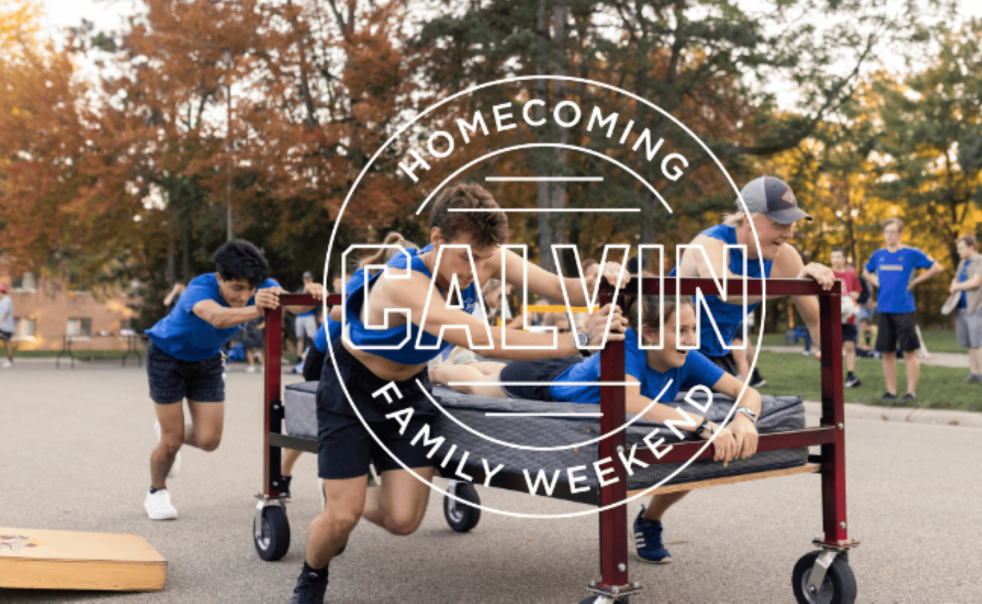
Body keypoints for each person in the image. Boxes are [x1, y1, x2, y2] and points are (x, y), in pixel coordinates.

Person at [290, 183, 628, 603]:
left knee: (402, 519)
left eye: (485, 258)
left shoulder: (484, 257)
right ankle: (313, 572)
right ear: (437, 238)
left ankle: (347, 498)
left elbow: (566, 289)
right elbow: (481, 338)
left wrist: (601, 278)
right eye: (468, 256)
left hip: (409, 390)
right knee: (342, 517)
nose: (476, 268)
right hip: (353, 388)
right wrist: (578, 340)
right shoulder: (402, 282)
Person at [432, 295, 763, 564]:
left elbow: (747, 391)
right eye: (682, 330)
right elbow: (628, 399)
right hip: (548, 381)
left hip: (578, 367)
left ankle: (650, 520)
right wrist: (703, 424)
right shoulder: (632, 346)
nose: (692, 340)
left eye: (694, 329)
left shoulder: (687, 356)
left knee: (495, 371)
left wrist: (744, 417)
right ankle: (438, 369)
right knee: (477, 385)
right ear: (649, 332)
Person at [143, 239, 323, 520]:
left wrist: (311, 294)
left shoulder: (263, 285)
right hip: (167, 357)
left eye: (250, 289)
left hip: (208, 360)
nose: (243, 295)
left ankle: (168, 430)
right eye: (236, 288)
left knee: (209, 441)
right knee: (171, 441)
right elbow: (215, 316)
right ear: (220, 278)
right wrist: (257, 308)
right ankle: (156, 491)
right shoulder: (200, 288)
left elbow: (295, 307)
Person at [670, 176, 836, 387]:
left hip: (717, 356)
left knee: (742, 413)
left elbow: (814, 319)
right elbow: (727, 290)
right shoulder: (710, 244)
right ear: (748, 219)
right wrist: (792, 285)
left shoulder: (784, 257)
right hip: (667, 355)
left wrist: (828, 350)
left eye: (791, 224)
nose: (789, 234)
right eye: (779, 224)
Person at [862, 217, 943, 402]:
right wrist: (875, 282)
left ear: (900, 233)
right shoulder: (878, 255)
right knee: (887, 352)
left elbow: (937, 267)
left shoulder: (911, 253)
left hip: (905, 309)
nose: (889, 235)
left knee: (908, 352)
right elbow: (866, 271)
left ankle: (910, 393)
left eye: (892, 232)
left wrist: (915, 282)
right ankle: (891, 392)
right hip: (883, 309)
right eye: (886, 232)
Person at [948, 234, 982, 384]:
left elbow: (975, 282)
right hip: (961, 307)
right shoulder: (962, 263)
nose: (958, 251)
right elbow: (956, 277)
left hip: (977, 307)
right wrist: (953, 283)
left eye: (961, 248)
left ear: (971, 247)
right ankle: (974, 372)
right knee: (969, 343)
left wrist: (956, 286)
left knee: (977, 342)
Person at [830, 247, 863, 388]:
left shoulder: (851, 275)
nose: (835, 260)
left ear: (844, 259)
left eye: (838, 257)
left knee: (849, 345)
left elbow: (858, 291)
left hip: (849, 316)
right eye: (833, 257)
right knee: (833, 347)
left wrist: (854, 295)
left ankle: (850, 376)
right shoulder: (828, 274)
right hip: (833, 315)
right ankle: (833, 376)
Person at [295, 271, 320, 360]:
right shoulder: (299, 290)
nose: (307, 280)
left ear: (311, 279)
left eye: (308, 279)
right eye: (305, 279)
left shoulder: (316, 289)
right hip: (299, 316)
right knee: (300, 338)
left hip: (310, 315)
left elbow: (318, 304)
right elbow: (296, 303)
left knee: (313, 337)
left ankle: (317, 355)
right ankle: (299, 357)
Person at [0, 283, 13, 368]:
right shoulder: (2, 301)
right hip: (2, 326)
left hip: (6, 326)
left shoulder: (7, 300)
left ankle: (10, 360)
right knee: (5, 342)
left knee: (7, 342)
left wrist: (0, 322)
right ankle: (9, 359)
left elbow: (6, 312)